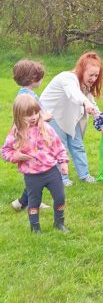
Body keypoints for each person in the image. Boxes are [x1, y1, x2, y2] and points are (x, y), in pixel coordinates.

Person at [2, 95, 70, 234]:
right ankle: (35, 228)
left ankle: (59, 223)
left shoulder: (46, 128)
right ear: (18, 115)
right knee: (34, 202)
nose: (33, 117)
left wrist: (63, 162)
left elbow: (58, 146)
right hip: (32, 176)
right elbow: (5, 151)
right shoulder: (16, 132)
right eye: (28, 115)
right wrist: (16, 156)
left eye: (35, 112)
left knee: (60, 197)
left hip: (51, 171)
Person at [40, 51, 103, 186]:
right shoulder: (67, 78)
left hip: (70, 116)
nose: (93, 78)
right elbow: (73, 94)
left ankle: (84, 175)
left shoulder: (86, 85)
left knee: (78, 145)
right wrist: (85, 103)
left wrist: (101, 116)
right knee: (60, 147)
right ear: (81, 70)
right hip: (53, 116)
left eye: (96, 75)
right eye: (91, 74)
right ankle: (62, 178)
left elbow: (91, 102)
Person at [10, 59, 52, 211]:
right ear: (32, 78)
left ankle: (23, 201)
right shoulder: (28, 96)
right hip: (32, 140)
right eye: (39, 77)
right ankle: (27, 201)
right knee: (36, 172)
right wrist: (47, 116)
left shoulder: (25, 93)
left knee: (35, 171)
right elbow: (28, 119)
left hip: (32, 138)